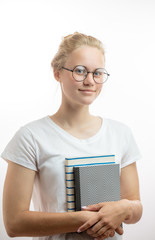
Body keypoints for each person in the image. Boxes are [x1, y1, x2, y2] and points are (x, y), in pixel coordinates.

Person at [1, 32, 143, 240]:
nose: (89, 81)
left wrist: (124, 207)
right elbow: (14, 223)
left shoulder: (120, 133)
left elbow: (135, 208)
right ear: (57, 73)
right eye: (79, 71)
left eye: (97, 73)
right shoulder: (30, 137)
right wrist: (90, 219)